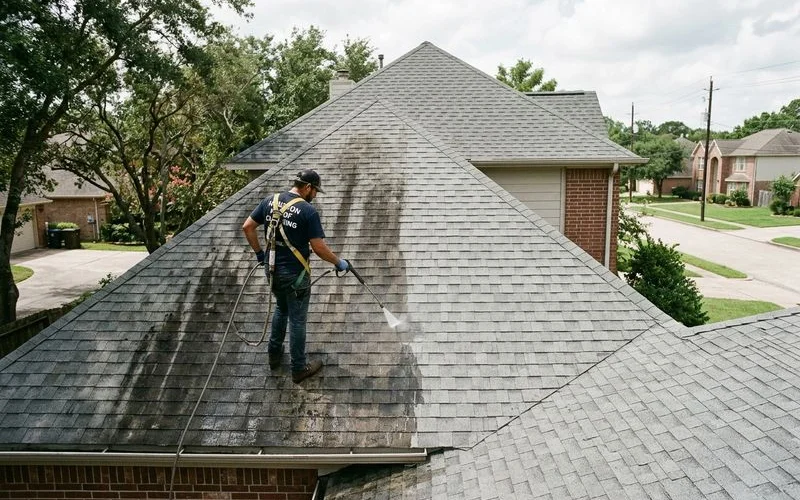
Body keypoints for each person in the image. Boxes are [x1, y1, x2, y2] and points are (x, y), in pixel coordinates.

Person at [242, 169, 349, 383]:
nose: (316, 195)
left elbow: (247, 227)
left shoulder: (269, 201)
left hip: (271, 271)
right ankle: (299, 368)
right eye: (315, 190)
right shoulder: (308, 211)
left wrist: (260, 254)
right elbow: (318, 247)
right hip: (296, 276)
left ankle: (274, 355)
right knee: (298, 320)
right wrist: (339, 263)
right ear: (307, 187)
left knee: (281, 308)